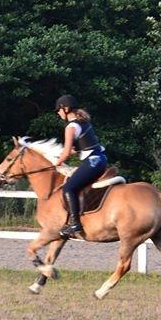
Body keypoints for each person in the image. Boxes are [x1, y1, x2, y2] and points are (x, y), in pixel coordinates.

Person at [53, 95, 108, 239]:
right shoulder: (84, 122)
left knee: (68, 188)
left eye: (59, 110)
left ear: (66, 109)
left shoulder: (71, 127)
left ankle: (75, 225)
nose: (58, 113)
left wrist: (56, 163)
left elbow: (66, 154)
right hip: (100, 160)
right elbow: (75, 150)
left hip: (92, 162)